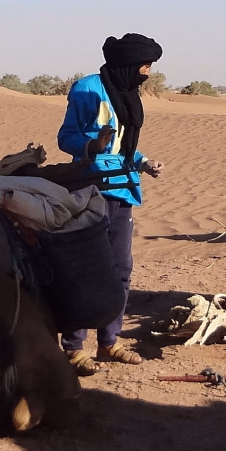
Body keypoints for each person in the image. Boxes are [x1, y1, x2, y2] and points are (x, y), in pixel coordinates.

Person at [56, 33, 163, 373]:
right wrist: (94, 143)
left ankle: (109, 342)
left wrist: (143, 161)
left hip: (123, 188)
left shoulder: (128, 93)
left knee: (121, 269)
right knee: (87, 268)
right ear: (128, 65)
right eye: (145, 65)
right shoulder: (88, 90)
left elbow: (122, 143)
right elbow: (66, 137)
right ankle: (74, 347)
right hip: (92, 189)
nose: (147, 73)